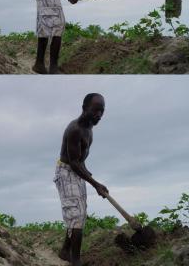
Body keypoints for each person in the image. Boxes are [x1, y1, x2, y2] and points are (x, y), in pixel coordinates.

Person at [54, 93, 110, 265]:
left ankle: (65, 251)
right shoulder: (75, 130)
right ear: (85, 108)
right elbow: (74, 162)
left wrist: (91, 177)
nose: (99, 115)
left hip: (77, 171)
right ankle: (76, 261)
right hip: (66, 172)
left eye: (102, 111)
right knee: (76, 214)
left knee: (80, 213)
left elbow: (80, 161)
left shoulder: (89, 129)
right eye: (95, 110)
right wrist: (95, 184)